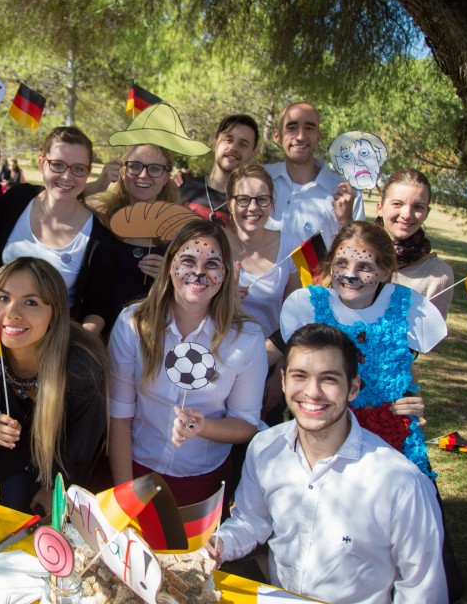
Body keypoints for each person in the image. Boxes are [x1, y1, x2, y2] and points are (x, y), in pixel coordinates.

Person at [208, 323, 448, 604]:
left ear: (354, 387)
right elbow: (251, 521)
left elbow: (422, 589)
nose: (313, 392)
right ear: (283, 381)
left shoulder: (401, 483)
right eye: (300, 376)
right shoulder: (264, 448)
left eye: (329, 379)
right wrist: (220, 543)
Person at [108, 219, 267, 509]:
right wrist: (125, 496)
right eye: (188, 260)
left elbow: (246, 424)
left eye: (212, 264)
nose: (198, 272)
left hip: (202, 480)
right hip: (135, 468)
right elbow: (118, 414)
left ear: (227, 273)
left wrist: (203, 427)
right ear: (170, 266)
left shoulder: (247, 339)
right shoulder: (133, 323)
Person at [279, 220, 446, 479]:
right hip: (325, 431)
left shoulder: (406, 309)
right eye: (342, 263)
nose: (350, 275)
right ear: (330, 264)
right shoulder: (307, 307)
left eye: (365, 267)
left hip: (390, 433)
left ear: (383, 271)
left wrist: (414, 400)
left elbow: (401, 371)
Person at [0, 257, 108, 513]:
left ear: (54, 313)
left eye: (31, 302)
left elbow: (82, 442)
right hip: (15, 454)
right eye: (3, 298)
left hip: (66, 461)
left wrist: (54, 488)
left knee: (50, 526)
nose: (12, 312)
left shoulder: (81, 369)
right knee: (13, 510)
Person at [0, 126, 118, 335]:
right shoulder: (18, 199)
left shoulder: (99, 240)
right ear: (42, 162)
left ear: (87, 172)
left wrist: (73, 347)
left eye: (78, 169)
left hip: (51, 348)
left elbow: (97, 309)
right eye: (58, 165)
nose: (67, 176)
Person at [88, 144, 181, 321]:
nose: (143, 174)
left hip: (150, 333)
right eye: (135, 166)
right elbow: (60, 201)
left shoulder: (179, 231)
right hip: (99, 330)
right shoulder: (101, 217)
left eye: (155, 168)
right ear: (122, 172)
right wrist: (98, 185)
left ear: (166, 178)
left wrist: (172, 275)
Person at [264, 102, 362, 246]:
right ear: (276, 135)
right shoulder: (259, 180)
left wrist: (345, 222)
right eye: (292, 128)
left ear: (318, 136)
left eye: (309, 128)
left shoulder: (346, 194)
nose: (300, 136)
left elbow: (359, 253)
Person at [224, 165, 300, 338]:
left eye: (262, 199)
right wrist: (222, 299)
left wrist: (268, 356)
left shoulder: (291, 247)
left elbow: (295, 319)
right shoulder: (212, 245)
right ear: (229, 203)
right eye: (243, 199)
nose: (253, 207)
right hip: (216, 352)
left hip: (270, 356)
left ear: (271, 203)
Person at [376, 168, 455, 318]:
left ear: (427, 213)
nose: (407, 215)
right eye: (398, 204)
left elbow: (430, 337)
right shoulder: (353, 252)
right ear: (380, 208)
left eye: (418, 207)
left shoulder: (438, 274)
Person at [179, 114, 260, 226]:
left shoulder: (250, 207)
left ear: (252, 155)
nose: (233, 148)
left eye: (243, 144)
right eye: (228, 139)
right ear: (215, 143)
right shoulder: (182, 186)